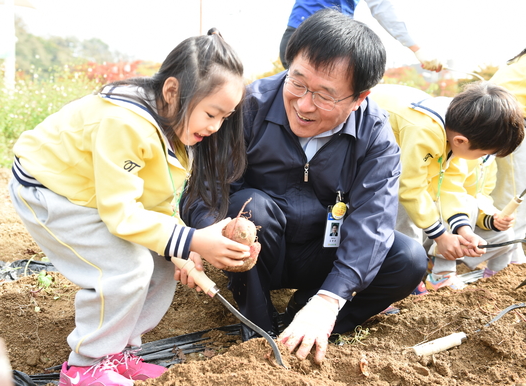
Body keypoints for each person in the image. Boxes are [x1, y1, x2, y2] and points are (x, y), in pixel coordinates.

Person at [181, 9, 427, 365]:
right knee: (251, 205)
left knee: (408, 257)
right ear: (289, 64)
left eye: (325, 96)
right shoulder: (248, 106)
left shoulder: (374, 136)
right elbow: (205, 188)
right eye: (297, 82)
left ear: (360, 97)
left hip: (324, 255)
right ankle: (258, 322)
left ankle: (310, 319)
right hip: (261, 252)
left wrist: (330, 299)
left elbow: (372, 224)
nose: (303, 104)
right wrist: (202, 234)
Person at [8, 29, 251, 386]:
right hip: (50, 189)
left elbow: (159, 198)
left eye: (224, 118)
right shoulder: (124, 123)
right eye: (211, 113)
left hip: (96, 194)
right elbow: (121, 214)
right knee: (127, 268)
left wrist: (180, 247)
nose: (215, 127)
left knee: (161, 263)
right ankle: (85, 366)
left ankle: (116, 351)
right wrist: (192, 240)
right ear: (172, 92)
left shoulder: (176, 129)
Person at [369, 82, 524, 291]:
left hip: (384, 150)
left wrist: (463, 230)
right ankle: (395, 279)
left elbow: (451, 186)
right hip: (359, 140)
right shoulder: (425, 130)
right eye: (482, 154)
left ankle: (407, 272)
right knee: (403, 210)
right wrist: (440, 236)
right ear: (460, 141)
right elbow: (410, 188)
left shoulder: (458, 127)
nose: (483, 159)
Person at [279, 0, 444, 71]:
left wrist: (416, 48)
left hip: (324, 39)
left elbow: (382, 9)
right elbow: (382, 9)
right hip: (311, 38)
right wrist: (416, 48)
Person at [489, 48, 526, 264]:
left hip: (502, 117)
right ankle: (507, 256)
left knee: (509, 188)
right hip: (509, 120)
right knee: (514, 192)